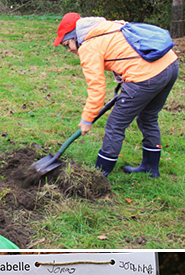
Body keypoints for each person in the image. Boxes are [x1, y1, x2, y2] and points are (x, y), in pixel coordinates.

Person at [54, 13, 179, 177]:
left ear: (75, 37)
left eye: (67, 44)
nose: (69, 50)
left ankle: (99, 175)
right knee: (148, 117)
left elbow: (96, 88)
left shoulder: (88, 46)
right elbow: (123, 50)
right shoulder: (106, 27)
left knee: (115, 125)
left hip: (146, 75)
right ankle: (150, 168)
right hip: (169, 64)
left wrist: (87, 119)